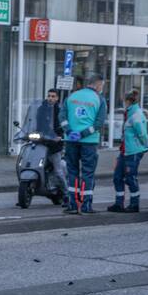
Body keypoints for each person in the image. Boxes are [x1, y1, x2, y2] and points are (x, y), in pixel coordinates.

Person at [60, 73, 108, 214]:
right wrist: (83, 133)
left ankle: (73, 205)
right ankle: (86, 206)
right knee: (87, 173)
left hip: (71, 141)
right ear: (98, 84)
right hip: (89, 142)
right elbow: (98, 123)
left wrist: (69, 131)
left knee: (72, 171)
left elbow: (62, 117)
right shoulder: (100, 99)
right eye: (102, 86)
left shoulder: (72, 97)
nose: (101, 89)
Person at [109, 90, 148, 213]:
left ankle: (134, 204)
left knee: (130, 178)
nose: (123, 103)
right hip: (125, 150)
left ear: (128, 101)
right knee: (117, 177)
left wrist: (146, 145)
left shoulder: (135, 115)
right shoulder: (131, 112)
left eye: (124, 101)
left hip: (133, 151)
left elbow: (142, 133)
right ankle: (119, 203)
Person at [20, 89, 68, 194]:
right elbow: (36, 123)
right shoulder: (41, 109)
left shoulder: (60, 110)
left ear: (57, 98)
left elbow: (63, 125)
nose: (50, 98)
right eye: (49, 96)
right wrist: (29, 133)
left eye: (53, 96)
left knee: (58, 171)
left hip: (54, 144)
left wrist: (60, 135)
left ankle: (67, 194)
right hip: (42, 141)